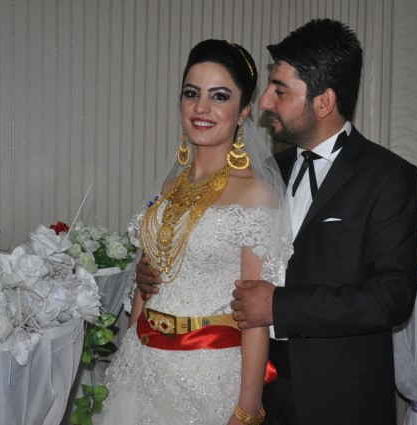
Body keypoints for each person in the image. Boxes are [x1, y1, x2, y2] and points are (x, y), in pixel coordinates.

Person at [138, 20, 417, 424]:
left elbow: (391, 297)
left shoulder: (388, 177)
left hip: (337, 394)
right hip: (254, 381)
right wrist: (159, 271)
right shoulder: (270, 171)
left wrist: (280, 306)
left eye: (280, 90)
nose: (265, 101)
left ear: (323, 102)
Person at [97, 39, 292, 425]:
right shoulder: (168, 189)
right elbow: (149, 281)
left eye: (219, 96)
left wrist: (247, 410)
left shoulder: (255, 194)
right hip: (141, 367)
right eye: (191, 93)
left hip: (208, 376)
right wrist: (126, 359)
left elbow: (256, 316)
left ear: (243, 112)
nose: (201, 107)